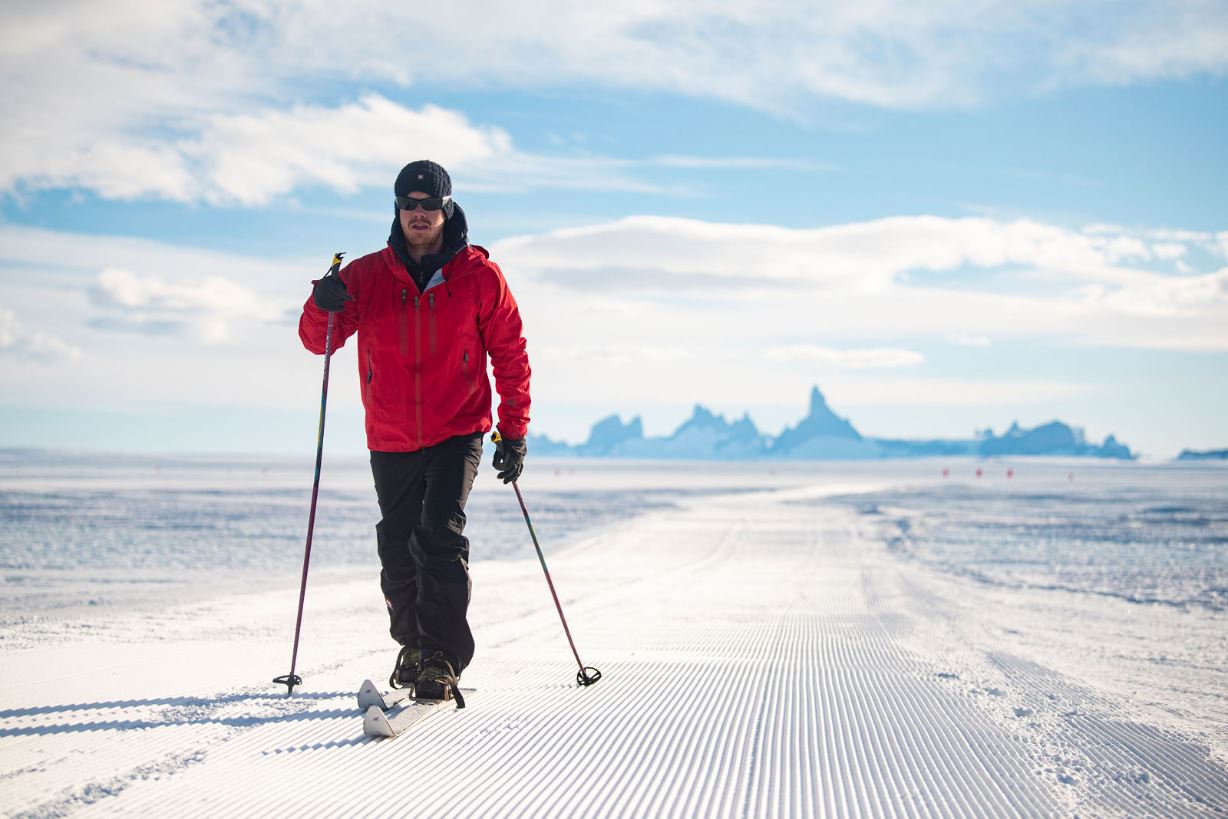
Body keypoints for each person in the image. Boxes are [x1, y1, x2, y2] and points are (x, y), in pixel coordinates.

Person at [298, 159, 530, 701]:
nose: (419, 214)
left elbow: (511, 353)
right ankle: (414, 646)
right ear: (397, 209)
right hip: (391, 433)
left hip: (458, 428)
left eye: (429, 205)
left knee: (439, 537)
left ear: (447, 209)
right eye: (409, 205)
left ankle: (443, 658)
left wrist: (513, 430)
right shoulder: (366, 274)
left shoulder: (480, 276)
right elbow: (319, 341)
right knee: (399, 546)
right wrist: (321, 303)